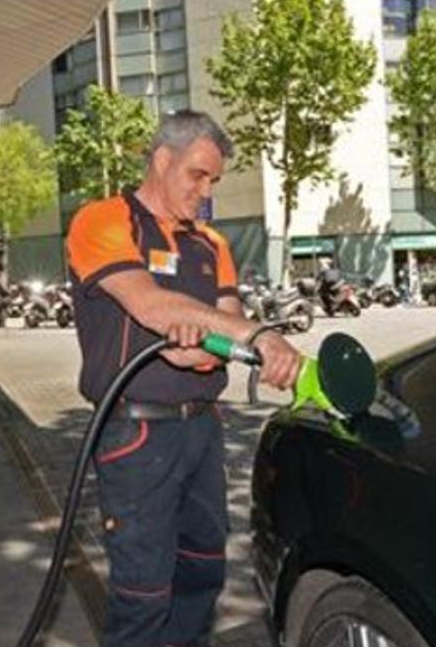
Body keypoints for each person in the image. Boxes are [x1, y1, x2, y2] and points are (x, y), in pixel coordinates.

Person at [65, 110, 302, 647]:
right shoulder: (104, 220)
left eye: (214, 180)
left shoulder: (210, 244)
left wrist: (219, 350)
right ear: (162, 159)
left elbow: (224, 320)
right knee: (144, 593)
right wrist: (262, 337)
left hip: (202, 429)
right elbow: (150, 305)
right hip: (136, 433)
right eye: (198, 175)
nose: (206, 190)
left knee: (201, 572)